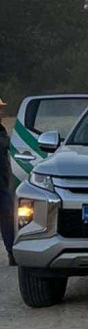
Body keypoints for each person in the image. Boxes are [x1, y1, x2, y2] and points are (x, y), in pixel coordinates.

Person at [0, 98, 15, 266]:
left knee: (8, 219)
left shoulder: (1, 130)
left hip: (2, 185)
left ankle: (12, 253)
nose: (1, 113)